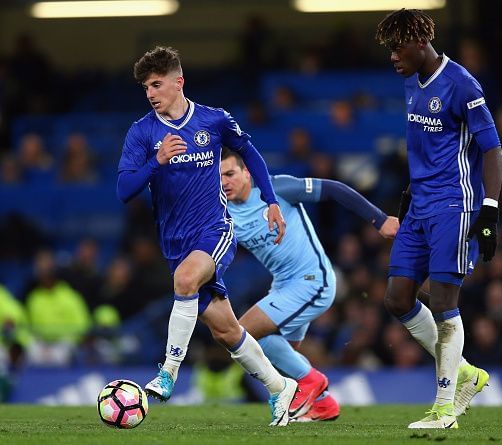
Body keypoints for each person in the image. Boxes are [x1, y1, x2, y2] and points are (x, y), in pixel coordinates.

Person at [116, 46, 297, 426]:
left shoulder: (214, 120)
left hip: (214, 229)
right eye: (145, 87)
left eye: (156, 84)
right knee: (225, 330)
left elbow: (251, 153)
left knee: (184, 279)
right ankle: (281, 388)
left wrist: (270, 201)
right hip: (174, 241)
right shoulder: (142, 132)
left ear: (178, 81)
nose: (150, 93)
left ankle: (168, 372)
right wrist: (157, 160)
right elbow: (124, 190)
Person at [375, 9, 502, 429]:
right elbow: (424, 149)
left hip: (455, 204)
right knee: (397, 298)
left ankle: (445, 407)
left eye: (397, 48)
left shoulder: (462, 84)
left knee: (445, 301)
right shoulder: (411, 82)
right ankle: (467, 372)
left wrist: (489, 210)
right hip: (420, 204)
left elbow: (493, 150)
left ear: (418, 42)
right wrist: (407, 197)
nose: (393, 57)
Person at [220, 148, 399, 421]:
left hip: (314, 280)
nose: (225, 182)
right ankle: (324, 404)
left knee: (240, 333)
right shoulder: (224, 212)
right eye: (219, 177)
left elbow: (334, 189)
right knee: (276, 355)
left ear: (246, 172)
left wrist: (380, 219)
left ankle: (312, 381)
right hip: (283, 286)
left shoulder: (276, 188)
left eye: (230, 173)